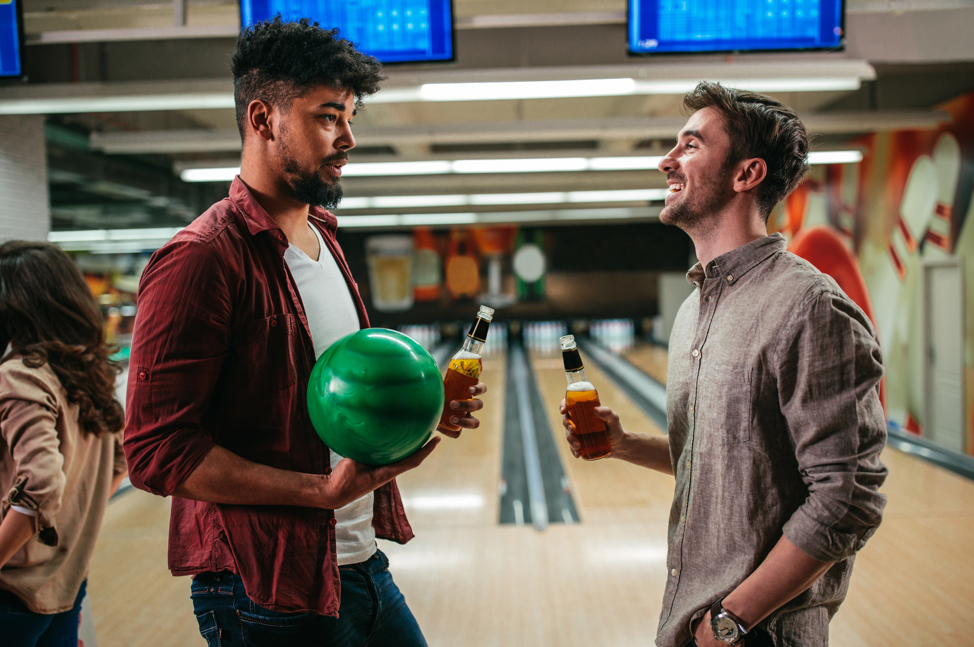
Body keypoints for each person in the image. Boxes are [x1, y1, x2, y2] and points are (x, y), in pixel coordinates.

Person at [123, 18, 486, 647]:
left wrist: (420, 407)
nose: (348, 137)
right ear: (263, 119)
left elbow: (325, 401)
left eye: (349, 116)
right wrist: (318, 492)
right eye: (327, 117)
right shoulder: (202, 258)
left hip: (358, 564)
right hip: (264, 589)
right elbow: (156, 452)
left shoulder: (323, 237)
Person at [561, 83, 888, 647]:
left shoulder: (810, 308)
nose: (666, 160)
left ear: (746, 174)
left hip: (755, 631)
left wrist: (730, 621)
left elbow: (847, 498)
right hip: (688, 617)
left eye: (689, 146)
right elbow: (735, 466)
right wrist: (625, 443)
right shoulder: (693, 310)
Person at [0, 241, 128, 646]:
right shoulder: (88, 372)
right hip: (67, 582)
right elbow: (121, 460)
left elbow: (40, 485)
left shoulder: (20, 375)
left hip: (11, 591)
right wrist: (76, 520)